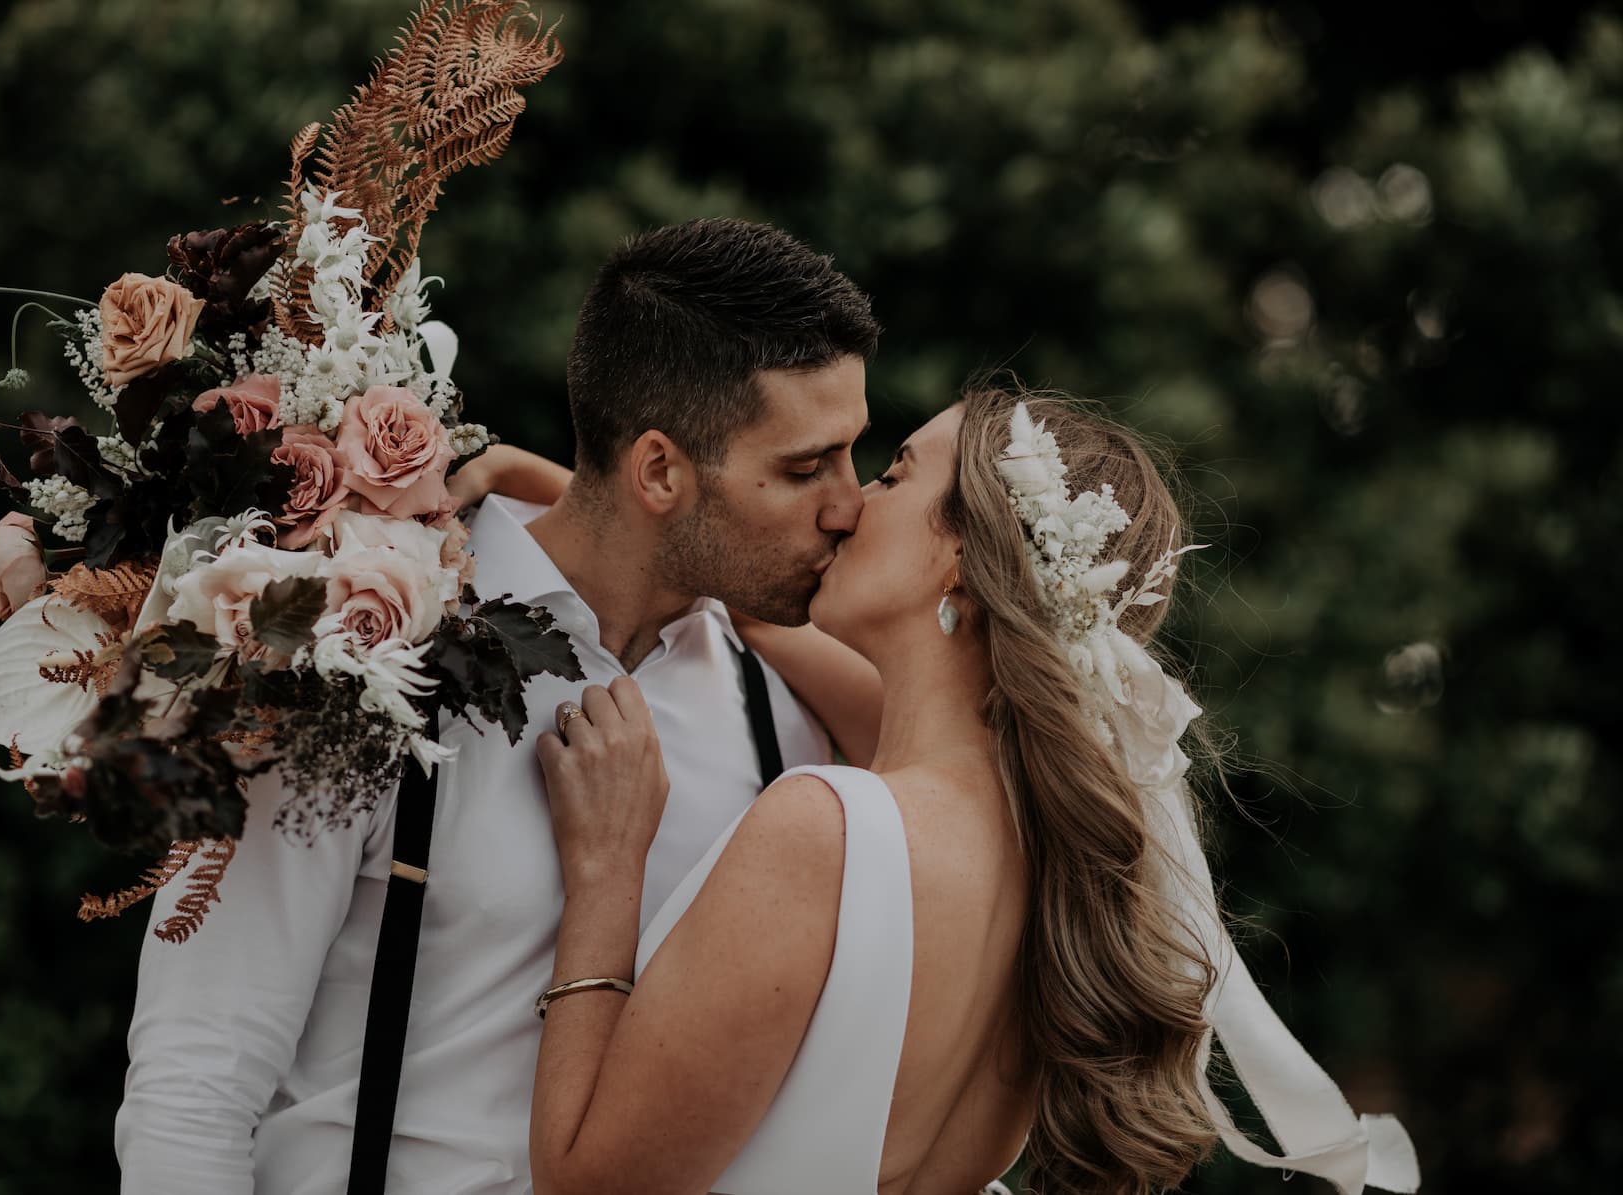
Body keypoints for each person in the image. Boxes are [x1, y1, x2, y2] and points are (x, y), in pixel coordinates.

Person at [114, 216, 882, 1194]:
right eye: (807, 467)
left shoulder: (786, 717)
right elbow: (194, 1079)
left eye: (853, 456)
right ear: (657, 470)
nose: (849, 506)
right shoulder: (360, 646)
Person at [515, 386, 1422, 1195]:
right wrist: (599, 515)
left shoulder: (821, 833)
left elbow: (586, 1183)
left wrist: (606, 870)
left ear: (959, 557)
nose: (847, 504)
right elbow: (794, 637)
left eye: (895, 475)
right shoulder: (1052, 873)